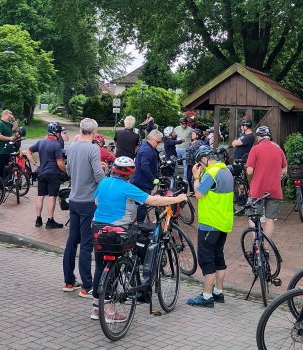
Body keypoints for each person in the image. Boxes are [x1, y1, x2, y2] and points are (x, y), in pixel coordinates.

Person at [90, 157, 187, 320]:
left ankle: (96, 308)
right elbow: (152, 200)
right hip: (118, 231)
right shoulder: (128, 187)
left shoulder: (104, 183)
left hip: (97, 228)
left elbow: (96, 201)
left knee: (101, 267)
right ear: (130, 173)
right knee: (120, 260)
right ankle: (110, 309)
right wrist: (178, 198)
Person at [62, 118, 106, 298]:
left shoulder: (72, 147)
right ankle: (87, 285)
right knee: (87, 244)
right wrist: (104, 176)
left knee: (72, 240)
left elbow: (69, 171)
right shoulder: (93, 149)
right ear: (94, 132)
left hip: (73, 199)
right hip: (88, 201)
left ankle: (68, 281)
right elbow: (98, 176)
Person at [186, 146, 234, 307]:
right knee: (219, 258)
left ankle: (207, 297)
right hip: (223, 222)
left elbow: (198, 194)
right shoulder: (226, 170)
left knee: (207, 260)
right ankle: (218, 292)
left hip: (209, 223)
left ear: (205, 158)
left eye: (201, 163)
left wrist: (195, 177)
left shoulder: (211, 172)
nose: (201, 166)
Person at [245, 126, 287, 237]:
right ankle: (266, 249)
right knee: (270, 219)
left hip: (257, 189)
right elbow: (285, 169)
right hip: (274, 190)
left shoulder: (255, 149)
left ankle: (257, 245)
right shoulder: (278, 149)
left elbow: (249, 171)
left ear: (258, 137)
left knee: (252, 216)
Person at [27, 121, 68, 229]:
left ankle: (38, 219)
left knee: (40, 196)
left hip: (41, 173)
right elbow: (60, 163)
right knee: (51, 197)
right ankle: (50, 221)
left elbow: (28, 151)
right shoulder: (56, 145)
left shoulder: (40, 142)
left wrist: (34, 163)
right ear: (56, 133)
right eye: (59, 132)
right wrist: (67, 171)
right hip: (53, 174)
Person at [131, 129, 162, 222]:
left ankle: (140, 222)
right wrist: (153, 179)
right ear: (152, 139)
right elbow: (145, 167)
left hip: (142, 181)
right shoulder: (146, 150)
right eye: (158, 142)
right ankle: (140, 225)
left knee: (142, 204)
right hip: (142, 182)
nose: (158, 144)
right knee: (143, 205)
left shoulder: (147, 147)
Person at [0, 110, 18, 192]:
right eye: (11, 114)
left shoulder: (7, 124)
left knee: (6, 169)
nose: (12, 116)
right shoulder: (0, 123)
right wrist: (9, 138)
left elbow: (15, 128)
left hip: (7, 150)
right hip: (1, 150)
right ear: (6, 115)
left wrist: (14, 120)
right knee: (0, 169)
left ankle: (2, 185)